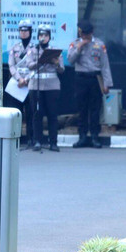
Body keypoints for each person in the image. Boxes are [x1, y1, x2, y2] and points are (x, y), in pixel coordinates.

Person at [68, 19, 113, 149]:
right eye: (82, 34)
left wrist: (107, 84)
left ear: (91, 33)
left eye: (86, 34)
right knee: (82, 109)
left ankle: (94, 136)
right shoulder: (75, 44)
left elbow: (105, 65)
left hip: (95, 79)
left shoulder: (99, 44)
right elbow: (70, 61)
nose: (84, 37)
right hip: (80, 78)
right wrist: (79, 48)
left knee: (95, 109)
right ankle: (82, 136)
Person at [26, 24, 63, 152]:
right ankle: (37, 141)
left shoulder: (55, 51)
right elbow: (29, 64)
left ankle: (53, 142)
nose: (43, 37)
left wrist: (56, 63)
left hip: (52, 86)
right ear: (38, 37)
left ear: (49, 37)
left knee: (52, 115)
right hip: (36, 86)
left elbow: (61, 69)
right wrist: (40, 61)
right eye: (41, 35)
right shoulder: (33, 50)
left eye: (46, 35)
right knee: (37, 114)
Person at [7, 19, 35, 148]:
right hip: (17, 85)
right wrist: (19, 79)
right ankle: (16, 138)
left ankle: (31, 138)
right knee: (16, 113)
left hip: (30, 84)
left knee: (31, 113)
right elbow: (11, 65)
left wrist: (27, 79)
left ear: (30, 32)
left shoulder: (35, 48)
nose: (23, 33)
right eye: (21, 30)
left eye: (26, 30)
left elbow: (37, 66)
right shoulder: (15, 48)